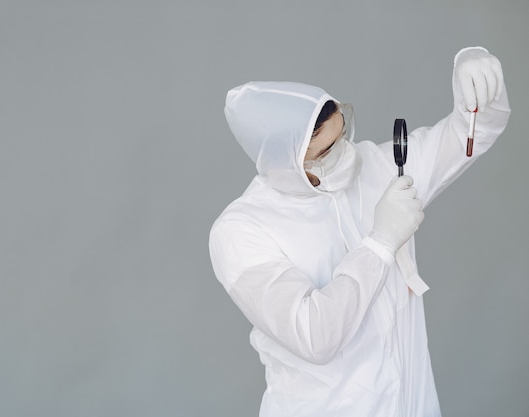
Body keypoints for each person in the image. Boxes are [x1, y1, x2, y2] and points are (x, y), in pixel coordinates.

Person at [208, 47, 510, 417]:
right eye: (328, 150)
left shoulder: (379, 166)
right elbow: (313, 335)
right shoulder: (241, 231)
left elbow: (469, 135)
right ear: (283, 163)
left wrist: (476, 77)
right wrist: (380, 243)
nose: (347, 152)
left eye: (344, 131)